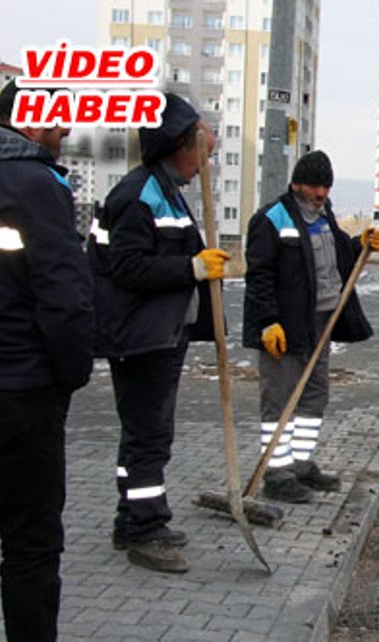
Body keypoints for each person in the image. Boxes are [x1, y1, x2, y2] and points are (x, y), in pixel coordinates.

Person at [0, 81, 110, 642]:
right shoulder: (36, 183)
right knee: (31, 538)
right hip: (15, 388)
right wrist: (67, 375)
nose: (66, 134)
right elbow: (64, 294)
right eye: (60, 121)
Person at [88, 93, 228, 574]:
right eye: (203, 154)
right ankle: (145, 530)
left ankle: (131, 519)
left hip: (161, 333)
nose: (204, 166)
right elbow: (127, 268)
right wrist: (192, 267)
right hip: (140, 336)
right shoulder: (138, 195)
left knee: (143, 435)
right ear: (179, 145)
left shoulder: (167, 190)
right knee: (148, 436)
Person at [242, 151, 379, 503]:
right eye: (315, 186)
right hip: (285, 327)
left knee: (315, 394)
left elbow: (340, 255)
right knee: (279, 400)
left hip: (322, 320)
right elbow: (258, 277)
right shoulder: (271, 219)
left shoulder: (324, 216)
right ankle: (277, 474)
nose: (321, 193)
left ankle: (301, 464)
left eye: (326, 187)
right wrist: (268, 322)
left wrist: (361, 244)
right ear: (296, 185)